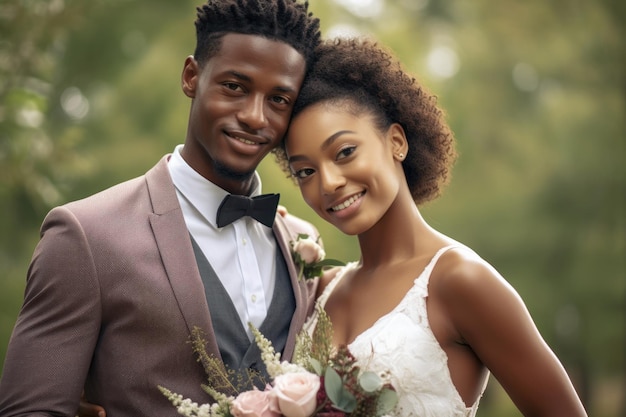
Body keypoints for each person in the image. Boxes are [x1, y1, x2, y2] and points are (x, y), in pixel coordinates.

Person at [0, 1, 322, 416]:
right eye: (234, 87)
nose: (254, 116)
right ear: (192, 77)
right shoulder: (86, 235)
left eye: (278, 99)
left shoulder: (300, 241)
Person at [275, 38, 588, 416]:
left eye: (344, 152)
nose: (328, 182)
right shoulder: (323, 289)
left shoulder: (460, 281)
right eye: (305, 171)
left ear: (396, 141)